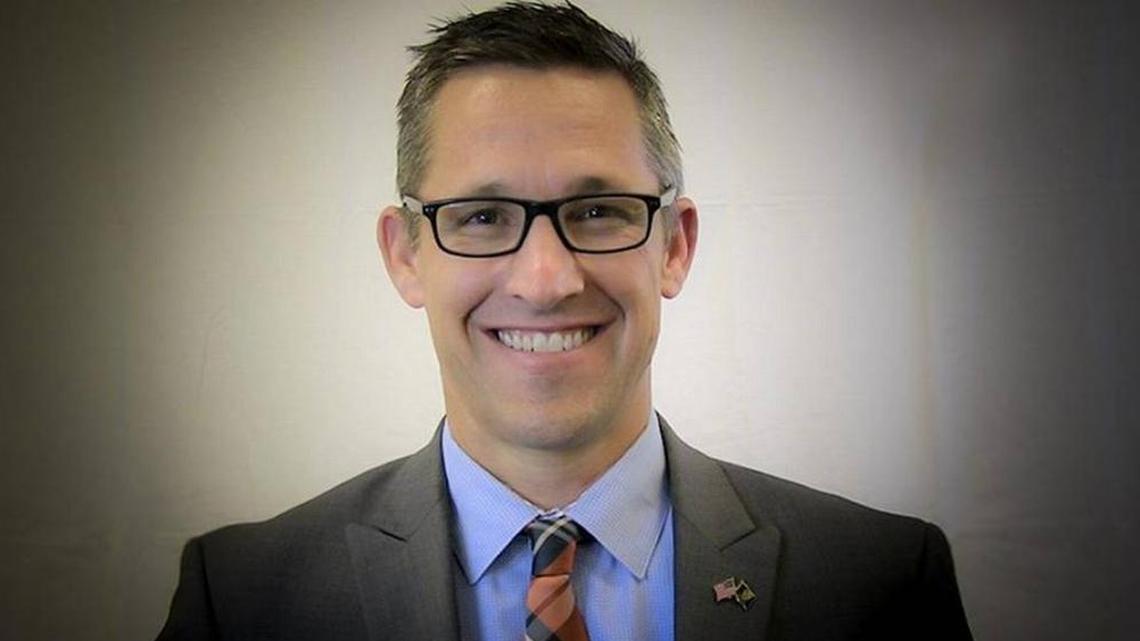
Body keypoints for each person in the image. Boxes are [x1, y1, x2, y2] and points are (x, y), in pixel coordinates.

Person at [156, 3, 972, 640]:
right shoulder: (242, 597)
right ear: (406, 255)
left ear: (674, 246)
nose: (546, 280)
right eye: (482, 216)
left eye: (597, 210)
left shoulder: (883, 582)